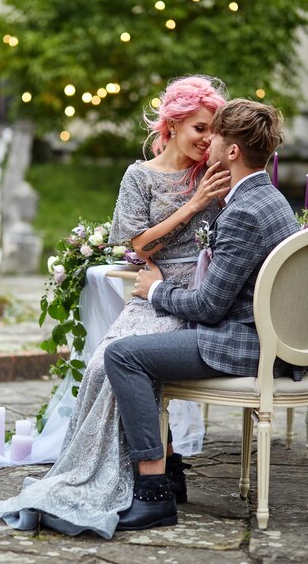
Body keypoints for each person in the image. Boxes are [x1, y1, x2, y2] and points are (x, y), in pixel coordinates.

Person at [0, 75, 231, 539]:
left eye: (212, 130)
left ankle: (157, 480)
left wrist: (207, 195)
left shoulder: (214, 171)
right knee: (101, 362)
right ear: (174, 123)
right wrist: (193, 205)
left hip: (195, 296)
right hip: (151, 287)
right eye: (200, 128)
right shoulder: (139, 176)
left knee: (129, 363)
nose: (207, 139)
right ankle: (117, 470)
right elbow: (136, 242)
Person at [104, 98, 301, 532]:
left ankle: (153, 493)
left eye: (217, 136)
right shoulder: (273, 199)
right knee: (144, 349)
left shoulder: (244, 212)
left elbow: (208, 308)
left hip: (245, 345)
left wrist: (154, 288)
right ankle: (170, 473)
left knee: (123, 355)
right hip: (269, 340)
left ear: (232, 152)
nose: (207, 142)